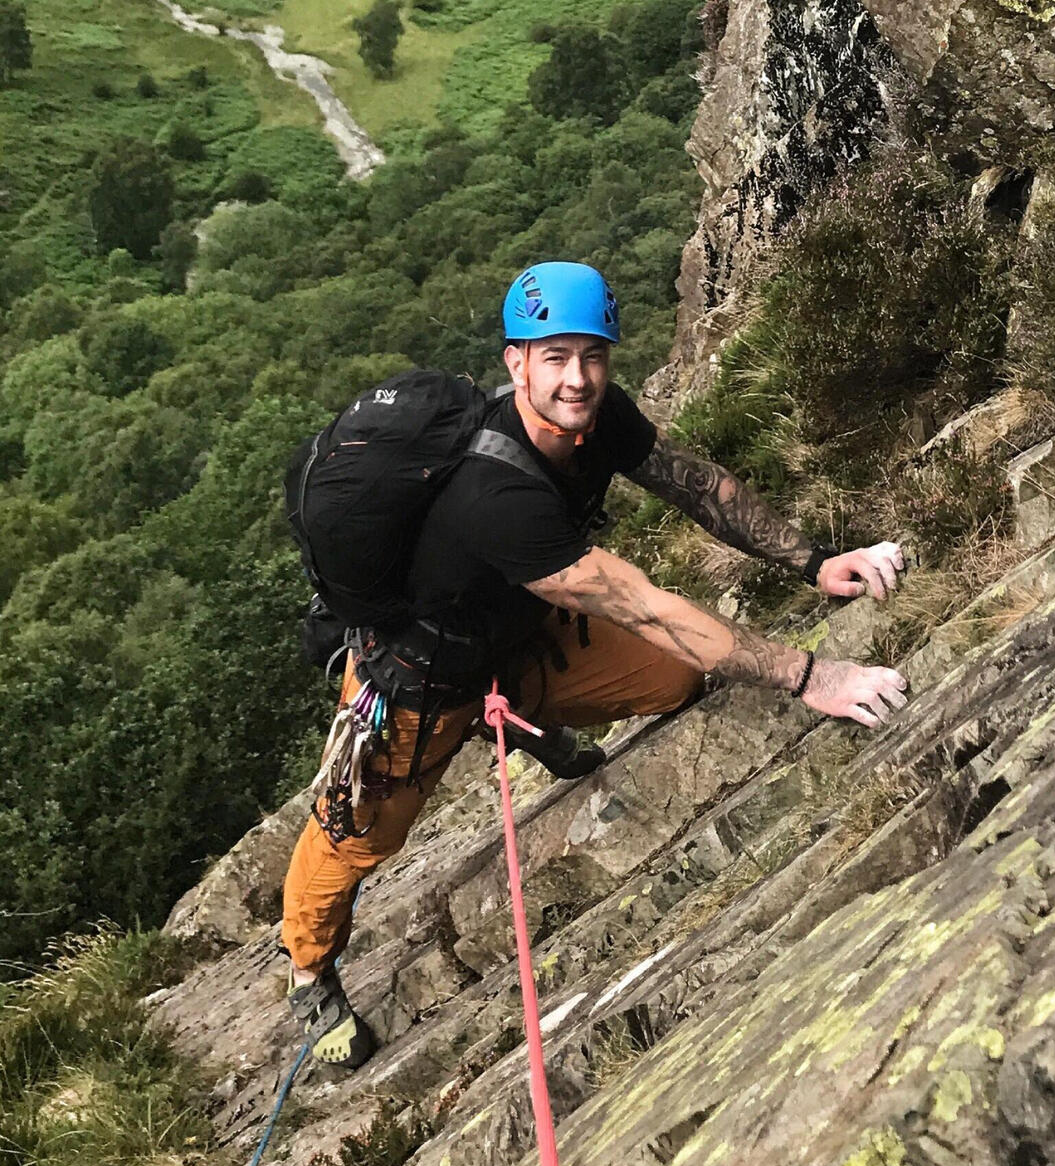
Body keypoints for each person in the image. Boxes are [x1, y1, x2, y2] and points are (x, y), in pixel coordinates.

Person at [283, 261, 910, 1067]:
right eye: (554, 358)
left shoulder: (592, 418)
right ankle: (306, 968)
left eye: (592, 356)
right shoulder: (492, 493)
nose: (577, 379)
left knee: (674, 679)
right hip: (420, 683)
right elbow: (639, 602)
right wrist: (816, 677)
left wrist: (815, 560)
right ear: (516, 365)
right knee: (356, 842)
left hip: (518, 637)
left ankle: (516, 720)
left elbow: (698, 484)